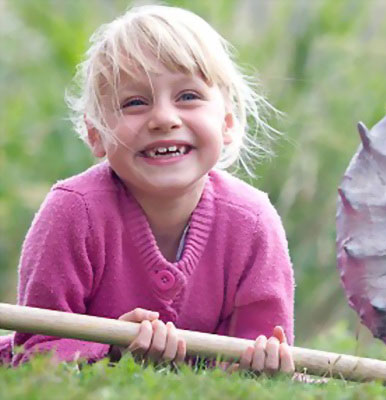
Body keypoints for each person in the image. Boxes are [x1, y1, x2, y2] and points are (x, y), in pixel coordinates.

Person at [0, 4, 295, 375]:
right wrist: (111, 347)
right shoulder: (74, 212)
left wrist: (262, 368)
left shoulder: (253, 223)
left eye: (188, 96)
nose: (164, 119)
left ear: (228, 123)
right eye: (134, 102)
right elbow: (37, 350)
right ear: (96, 136)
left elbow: (260, 349)